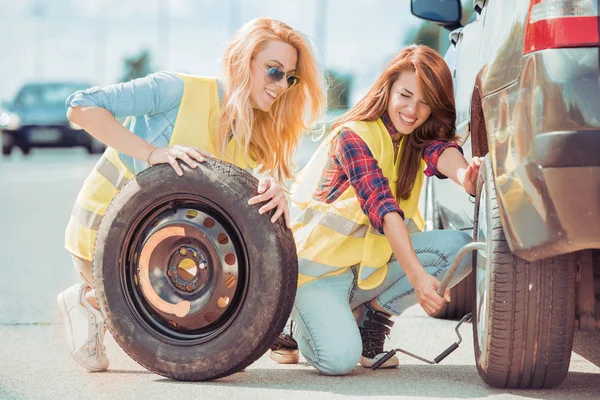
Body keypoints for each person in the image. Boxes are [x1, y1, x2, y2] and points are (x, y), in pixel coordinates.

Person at [56, 17, 326, 372]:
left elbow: (241, 209)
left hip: (168, 243)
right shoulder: (177, 90)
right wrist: (151, 154)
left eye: (290, 78)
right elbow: (80, 106)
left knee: (214, 320)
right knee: (183, 312)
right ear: (242, 60)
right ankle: (91, 301)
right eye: (274, 71)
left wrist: (276, 190)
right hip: (102, 238)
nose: (281, 85)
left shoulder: (254, 130)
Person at [276, 44, 481, 375]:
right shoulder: (352, 136)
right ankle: (290, 321)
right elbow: (384, 209)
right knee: (339, 360)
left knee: (463, 250)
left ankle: (371, 319)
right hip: (316, 276)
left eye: (425, 101)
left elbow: (442, 152)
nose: (413, 110)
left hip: (366, 271)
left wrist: (468, 179)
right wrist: (418, 279)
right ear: (387, 88)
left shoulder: (413, 138)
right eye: (405, 95)